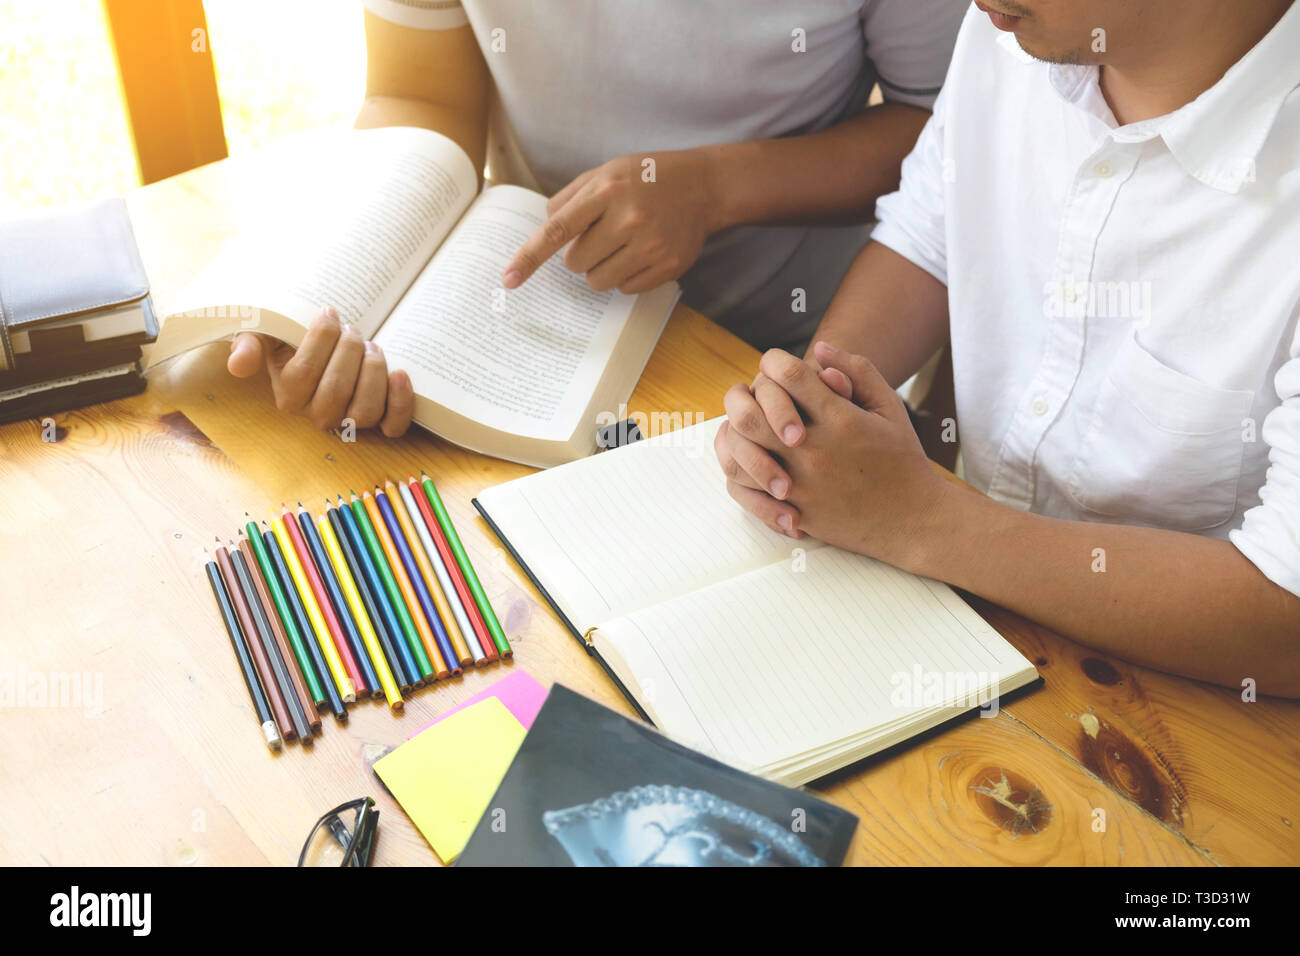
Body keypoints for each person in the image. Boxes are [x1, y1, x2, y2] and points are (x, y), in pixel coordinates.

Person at [716, 0, 1300, 695]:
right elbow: (929, 238)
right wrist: (806, 422)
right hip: (959, 619)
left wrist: (920, 520)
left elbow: (1283, 619)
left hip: (1197, 719)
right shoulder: (1016, 34)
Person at [226, 0, 969, 434]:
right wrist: (341, 293)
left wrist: (716, 188)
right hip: (525, 339)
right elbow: (419, 97)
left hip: (775, 354)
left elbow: (951, 131)